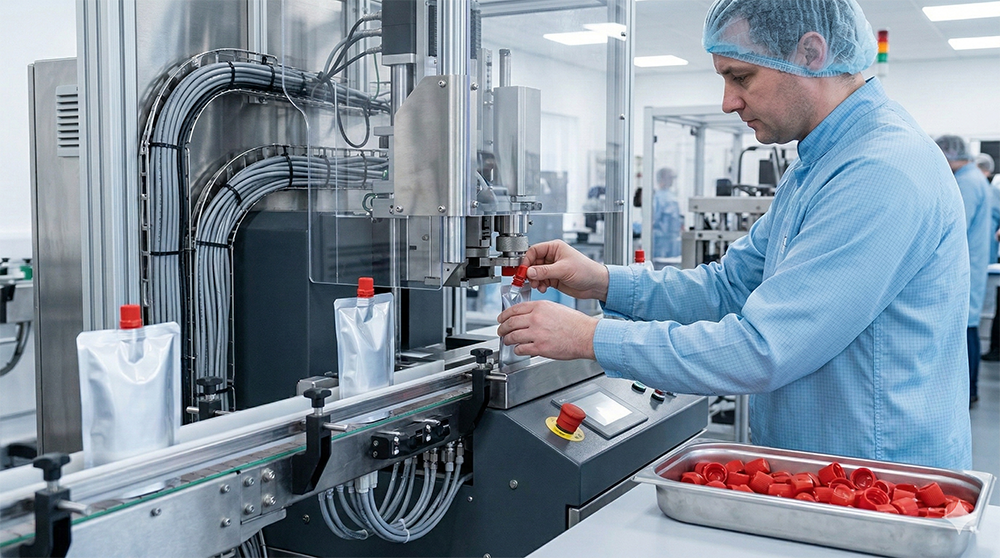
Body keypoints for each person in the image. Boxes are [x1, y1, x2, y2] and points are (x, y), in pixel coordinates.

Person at [498, 0, 972, 470]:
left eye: (741, 77)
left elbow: (764, 349)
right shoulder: (817, 166)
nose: (728, 102)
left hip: (877, 488)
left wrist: (590, 337)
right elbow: (729, 287)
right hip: (820, 477)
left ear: (811, 53)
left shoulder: (878, 170)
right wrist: (603, 280)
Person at [936, 136, 991, 407]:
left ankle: (968, 390)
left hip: (967, 265)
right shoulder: (973, 178)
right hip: (974, 263)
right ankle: (971, 389)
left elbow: (955, 223)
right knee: (969, 325)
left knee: (967, 329)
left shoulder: (967, 183)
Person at [652, 168, 683, 259]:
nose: (671, 181)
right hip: (661, 242)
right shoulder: (658, 197)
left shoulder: (671, 195)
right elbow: (654, 219)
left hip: (673, 240)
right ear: (662, 179)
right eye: (669, 178)